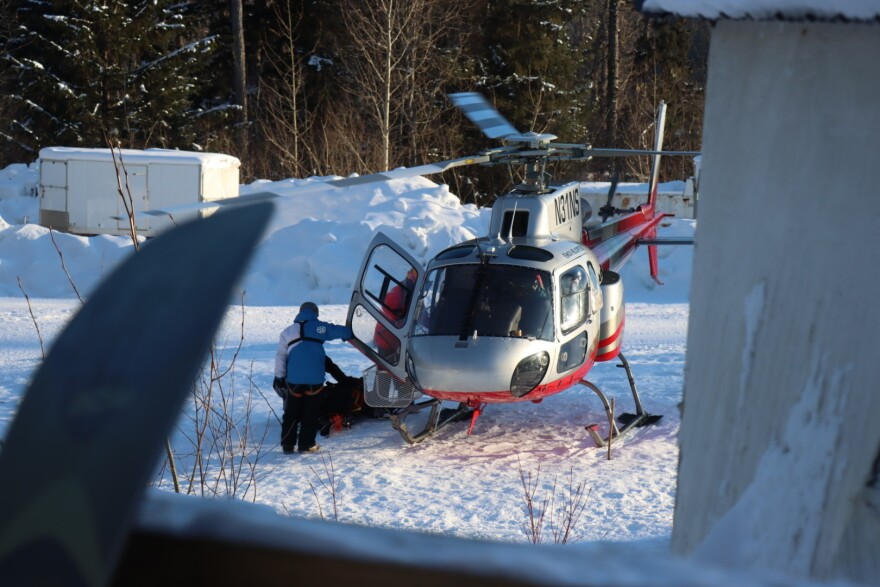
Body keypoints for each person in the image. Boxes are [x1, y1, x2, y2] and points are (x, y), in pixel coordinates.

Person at [273, 301, 353, 454]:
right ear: (316, 313)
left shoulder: (287, 332)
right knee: (310, 412)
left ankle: (287, 445)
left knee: (291, 413)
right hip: (315, 381)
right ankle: (307, 444)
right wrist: (351, 331)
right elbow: (344, 332)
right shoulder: (320, 328)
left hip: (294, 381)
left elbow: (281, 357)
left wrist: (279, 377)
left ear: (300, 313)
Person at [373, 267, 416, 363]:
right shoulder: (396, 294)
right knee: (387, 369)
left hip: (397, 340)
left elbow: (421, 311)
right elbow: (392, 318)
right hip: (385, 339)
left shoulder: (412, 294)